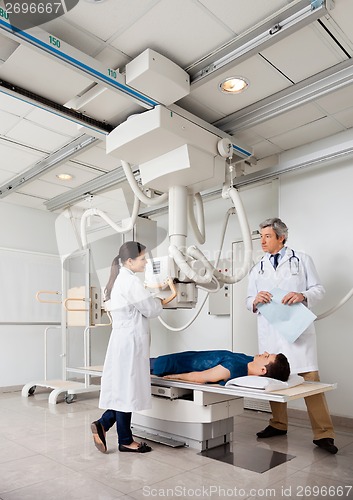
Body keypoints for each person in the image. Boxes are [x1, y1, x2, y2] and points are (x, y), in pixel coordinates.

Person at [246, 217, 337, 454]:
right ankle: (278, 424)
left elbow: (319, 289)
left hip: (297, 333)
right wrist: (255, 301)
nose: (262, 241)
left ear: (281, 237)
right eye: (261, 236)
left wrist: (302, 295)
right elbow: (248, 300)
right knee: (273, 382)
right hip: (271, 333)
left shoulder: (302, 260)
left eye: (267, 236)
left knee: (311, 382)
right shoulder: (258, 267)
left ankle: (324, 434)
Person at [91, 241, 163, 454]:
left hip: (122, 340)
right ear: (130, 261)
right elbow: (150, 309)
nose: (146, 262)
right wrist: (159, 300)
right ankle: (123, 439)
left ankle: (105, 425)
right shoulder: (130, 282)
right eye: (142, 259)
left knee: (124, 389)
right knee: (127, 390)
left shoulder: (118, 280)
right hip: (130, 342)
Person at [150, 350, 290, 384]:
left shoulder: (234, 368)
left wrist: (174, 377)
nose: (264, 353)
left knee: (133, 366)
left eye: (267, 357)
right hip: (180, 357)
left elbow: (199, 377)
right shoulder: (248, 360)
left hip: (169, 365)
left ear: (262, 370)